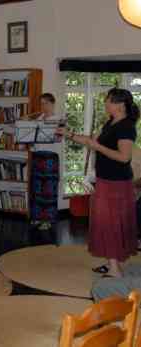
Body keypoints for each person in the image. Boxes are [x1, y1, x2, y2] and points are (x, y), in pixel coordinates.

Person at [58, 88, 139, 278]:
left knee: (110, 224)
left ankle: (115, 270)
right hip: (106, 180)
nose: (105, 104)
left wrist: (99, 147)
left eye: (108, 101)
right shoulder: (111, 122)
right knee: (108, 223)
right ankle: (113, 263)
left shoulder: (126, 126)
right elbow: (90, 141)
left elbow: (124, 158)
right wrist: (68, 134)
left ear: (119, 105)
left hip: (116, 184)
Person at [30, 93, 63, 231]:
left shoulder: (59, 120)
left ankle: (48, 220)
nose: (43, 106)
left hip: (50, 158)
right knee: (37, 189)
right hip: (37, 156)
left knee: (48, 190)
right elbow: (31, 137)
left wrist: (51, 133)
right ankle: (37, 217)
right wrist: (28, 124)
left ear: (52, 103)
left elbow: (59, 139)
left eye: (46, 103)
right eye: (41, 103)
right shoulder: (39, 118)